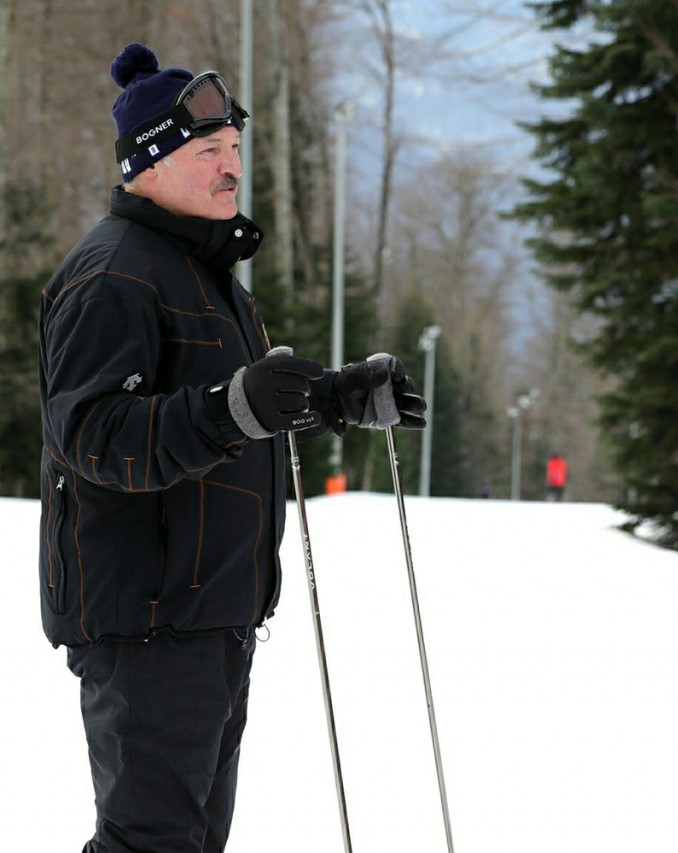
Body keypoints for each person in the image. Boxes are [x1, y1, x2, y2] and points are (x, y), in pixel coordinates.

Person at [37, 43, 426, 853]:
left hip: (209, 614)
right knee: (151, 843)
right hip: (148, 618)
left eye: (235, 151)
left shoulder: (205, 277)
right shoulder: (113, 276)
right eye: (207, 152)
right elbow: (93, 437)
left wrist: (334, 398)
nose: (230, 169)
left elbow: (237, 410)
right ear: (147, 166)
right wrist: (231, 408)